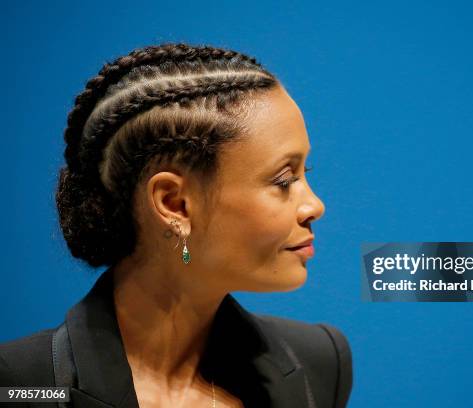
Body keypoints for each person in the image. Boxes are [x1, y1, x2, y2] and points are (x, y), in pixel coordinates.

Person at [0, 43, 353, 408]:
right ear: (174, 204)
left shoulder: (319, 363)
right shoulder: (18, 384)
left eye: (304, 173)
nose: (315, 206)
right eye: (283, 180)